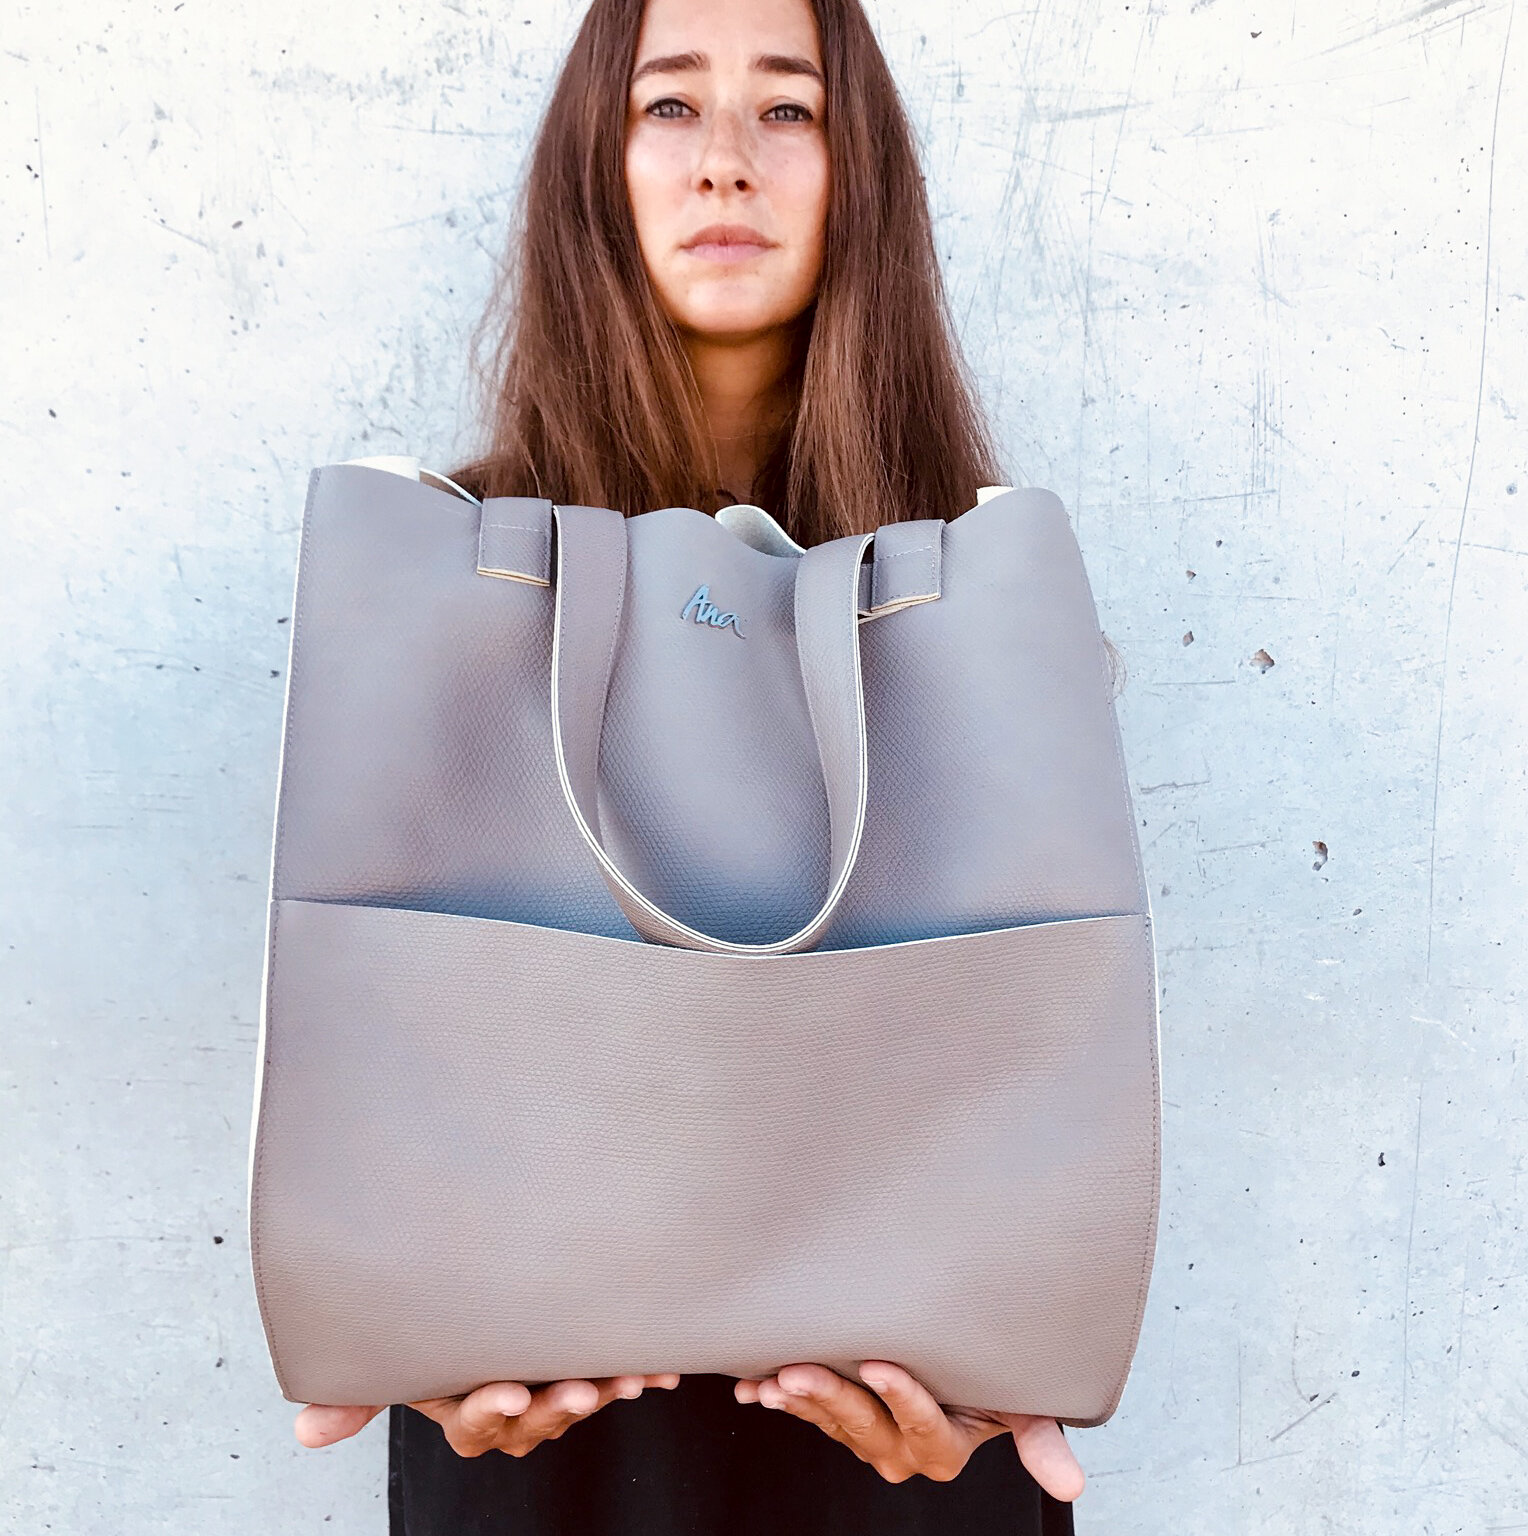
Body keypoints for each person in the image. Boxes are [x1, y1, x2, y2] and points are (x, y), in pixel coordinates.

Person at [294, 0, 1103, 1527]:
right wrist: (393, 1323)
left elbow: (1036, 1050)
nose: (726, 158)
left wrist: (1006, 1393)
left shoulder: (982, 593)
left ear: (862, 172)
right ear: (590, 169)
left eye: (788, 108)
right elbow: (385, 1029)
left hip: (899, 1435)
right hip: (547, 1435)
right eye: (668, 105)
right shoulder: (439, 578)